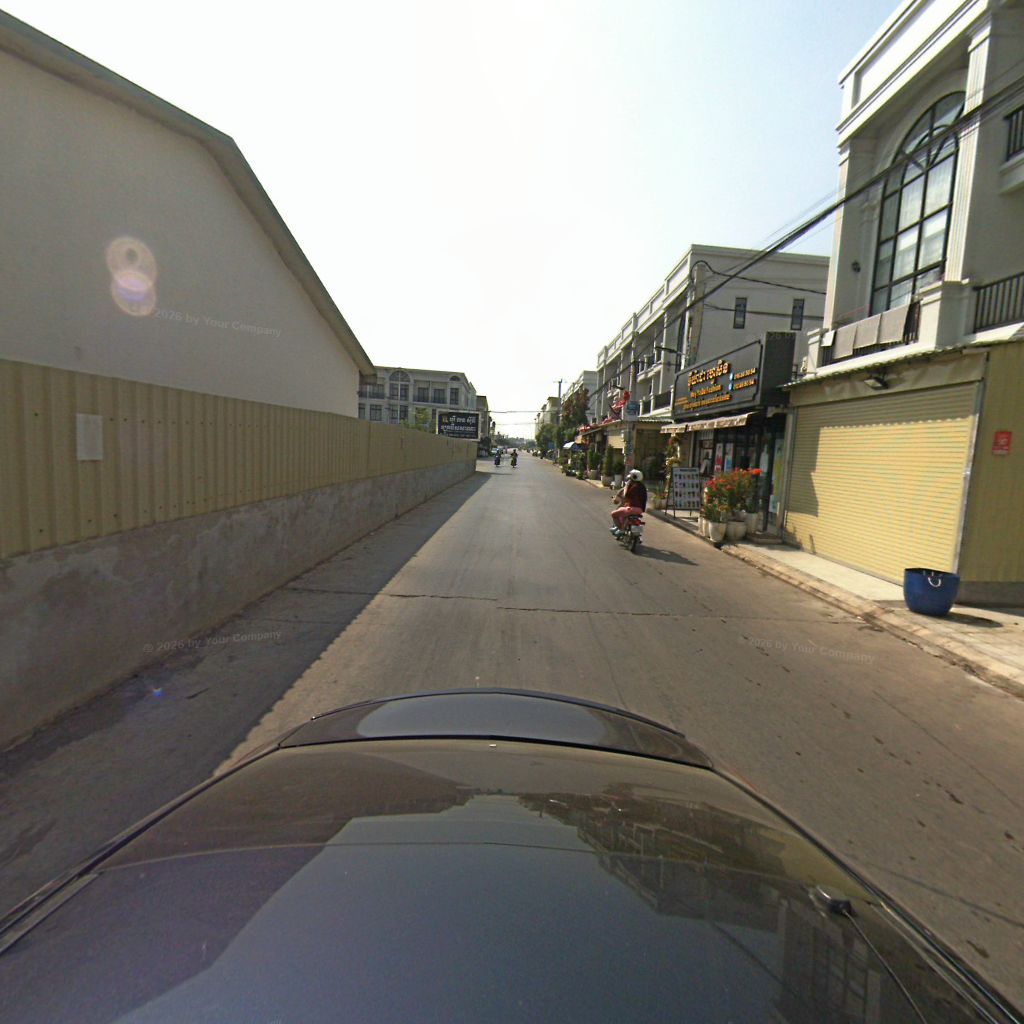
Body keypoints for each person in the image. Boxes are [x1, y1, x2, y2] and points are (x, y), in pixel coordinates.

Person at [611, 469, 647, 536]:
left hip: (631, 509)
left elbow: (625, 497)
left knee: (613, 514)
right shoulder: (643, 487)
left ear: (633, 478)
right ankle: (636, 535)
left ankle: (621, 529)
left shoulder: (632, 487)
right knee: (624, 513)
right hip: (640, 510)